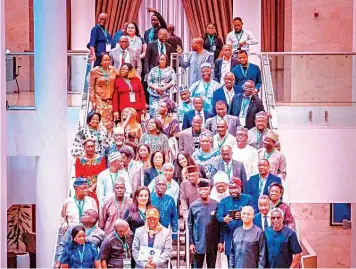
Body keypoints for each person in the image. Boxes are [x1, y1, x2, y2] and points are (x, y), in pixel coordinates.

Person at [216, 178, 252, 262]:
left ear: (240, 187)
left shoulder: (248, 199)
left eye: (235, 188)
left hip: (246, 237)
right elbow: (218, 217)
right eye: (231, 188)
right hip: (229, 237)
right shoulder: (224, 201)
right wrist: (224, 219)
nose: (233, 191)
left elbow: (255, 214)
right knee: (231, 263)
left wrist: (244, 216)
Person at [188, 179, 222, 269]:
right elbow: (190, 225)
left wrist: (220, 241)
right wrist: (191, 243)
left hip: (212, 242)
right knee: (197, 266)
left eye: (206, 189)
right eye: (201, 189)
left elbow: (220, 225)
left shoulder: (216, 204)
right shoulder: (193, 206)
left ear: (209, 190)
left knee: (211, 266)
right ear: (198, 191)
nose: (203, 191)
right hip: (198, 242)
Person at [73, 137, 107, 203]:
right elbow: (78, 178)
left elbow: (103, 176)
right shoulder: (79, 160)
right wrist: (86, 189)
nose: (90, 149)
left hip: (98, 188)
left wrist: (93, 187)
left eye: (92, 146)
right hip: (84, 189)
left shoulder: (101, 159)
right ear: (84, 147)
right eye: (88, 147)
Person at [89, 54, 117, 125]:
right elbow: (91, 87)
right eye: (105, 60)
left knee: (110, 121)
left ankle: (109, 135)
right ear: (101, 61)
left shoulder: (112, 69)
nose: (107, 62)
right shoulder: (95, 71)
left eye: (108, 60)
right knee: (101, 120)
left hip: (110, 99)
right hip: (99, 99)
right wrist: (93, 101)